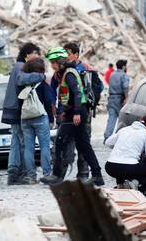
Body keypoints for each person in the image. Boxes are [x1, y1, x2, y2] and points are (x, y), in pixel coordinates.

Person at [41, 47, 104, 186]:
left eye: (53, 62)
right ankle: (97, 175)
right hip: (73, 112)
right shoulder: (65, 73)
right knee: (83, 146)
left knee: (60, 142)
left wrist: (75, 112)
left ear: (60, 61)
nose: (52, 65)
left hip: (76, 113)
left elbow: (77, 93)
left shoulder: (69, 73)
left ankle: (57, 175)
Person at [2, 43, 45, 185]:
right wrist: (40, 75)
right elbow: (22, 79)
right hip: (16, 109)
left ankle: (13, 173)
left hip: (13, 108)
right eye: (35, 53)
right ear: (27, 54)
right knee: (20, 143)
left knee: (16, 141)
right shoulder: (20, 66)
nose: (37, 56)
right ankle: (19, 173)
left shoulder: (18, 66)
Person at [62, 42, 104, 181]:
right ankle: (91, 174)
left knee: (80, 143)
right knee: (78, 143)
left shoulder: (85, 69)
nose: (66, 57)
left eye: (68, 54)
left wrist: (79, 110)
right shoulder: (67, 69)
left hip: (80, 112)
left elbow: (94, 89)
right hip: (73, 112)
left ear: (76, 54)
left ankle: (84, 172)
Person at [105, 115, 146, 196]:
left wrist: (120, 147)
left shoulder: (124, 129)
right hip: (129, 168)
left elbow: (108, 142)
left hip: (110, 167)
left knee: (123, 166)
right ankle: (138, 184)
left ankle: (121, 185)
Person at [19, 58, 54, 184]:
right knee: (44, 146)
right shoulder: (43, 84)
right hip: (40, 117)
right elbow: (49, 102)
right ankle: (47, 174)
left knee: (28, 148)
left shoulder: (23, 84)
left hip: (25, 118)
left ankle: (31, 177)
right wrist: (51, 118)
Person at [105, 59, 130, 140]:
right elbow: (125, 87)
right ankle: (120, 137)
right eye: (126, 66)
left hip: (111, 98)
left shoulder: (112, 74)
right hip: (120, 99)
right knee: (122, 119)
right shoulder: (124, 75)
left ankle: (107, 136)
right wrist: (126, 98)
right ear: (123, 67)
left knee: (111, 118)